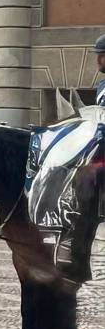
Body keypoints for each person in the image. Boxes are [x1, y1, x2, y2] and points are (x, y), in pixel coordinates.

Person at [55, 32, 105, 282]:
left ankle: (78, 248)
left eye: (101, 56)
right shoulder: (102, 86)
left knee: (86, 179)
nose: (98, 61)